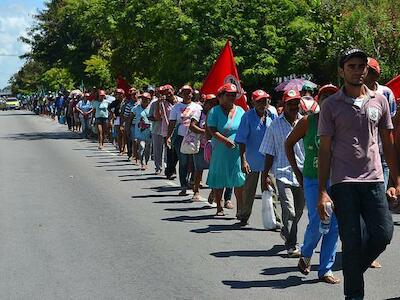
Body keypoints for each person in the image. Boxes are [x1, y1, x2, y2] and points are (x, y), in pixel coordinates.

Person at [318, 48, 400, 300]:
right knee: (351, 242)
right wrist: (323, 190)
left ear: (367, 70)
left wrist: (396, 180)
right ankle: (354, 296)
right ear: (342, 71)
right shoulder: (331, 105)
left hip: (374, 180)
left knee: (383, 233)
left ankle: (353, 270)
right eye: (351, 66)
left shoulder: (380, 100)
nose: (357, 71)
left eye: (361, 66)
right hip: (344, 184)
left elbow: (388, 143)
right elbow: (324, 150)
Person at [285, 84, 340, 284]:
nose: (328, 99)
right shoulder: (307, 122)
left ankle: (325, 269)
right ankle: (306, 253)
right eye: (324, 95)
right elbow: (288, 144)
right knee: (318, 220)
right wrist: (298, 173)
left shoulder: (342, 122)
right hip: (313, 179)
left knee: (334, 226)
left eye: (332, 95)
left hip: (338, 180)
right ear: (318, 100)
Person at [260, 89, 305, 258]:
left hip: (302, 173)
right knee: (290, 210)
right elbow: (269, 153)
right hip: (282, 173)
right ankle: (292, 245)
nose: (294, 106)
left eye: (296, 103)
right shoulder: (275, 125)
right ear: (283, 105)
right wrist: (264, 177)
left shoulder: (306, 122)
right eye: (290, 103)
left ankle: (287, 230)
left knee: (299, 211)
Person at [235, 90, 280, 226]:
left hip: (270, 160)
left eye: (264, 101)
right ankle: (244, 215)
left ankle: (275, 219)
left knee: (271, 190)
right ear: (253, 102)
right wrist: (243, 160)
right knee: (249, 190)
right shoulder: (247, 117)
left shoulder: (272, 115)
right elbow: (241, 140)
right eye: (259, 101)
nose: (262, 104)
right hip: (252, 160)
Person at [206, 83, 246, 216]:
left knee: (238, 179)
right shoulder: (214, 111)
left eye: (233, 95)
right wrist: (225, 140)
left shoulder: (240, 111)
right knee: (219, 177)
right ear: (220, 96)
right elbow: (212, 129)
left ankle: (240, 209)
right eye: (228, 95)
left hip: (237, 151)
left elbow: (245, 129)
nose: (231, 98)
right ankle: (219, 206)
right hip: (220, 150)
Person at [363, 57, 397, 189]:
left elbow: (391, 122)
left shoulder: (385, 93)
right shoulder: (355, 93)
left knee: (379, 193)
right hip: (363, 152)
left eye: (367, 70)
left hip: (382, 151)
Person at [166, 85, 201, 196]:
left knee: (194, 162)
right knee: (184, 162)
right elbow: (171, 123)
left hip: (194, 137)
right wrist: (168, 136)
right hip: (180, 137)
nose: (187, 95)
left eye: (189, 92)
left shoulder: (197, 107)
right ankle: (183, 186)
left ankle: (194, 183)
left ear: (192, 94)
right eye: (184, 92)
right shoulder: (176, 107)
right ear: (181, 94)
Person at [189, 94, 218, 201]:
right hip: (201, 145)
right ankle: (196, 190)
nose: (211, 105)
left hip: (214, 146)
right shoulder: (199, 113)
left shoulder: (217, 114)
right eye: (209, 102)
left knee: (215, 170)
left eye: (214, 103)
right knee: (198, 169)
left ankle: (214, 191)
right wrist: (204, 131)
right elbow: (192, 126)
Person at [131, 93, 152, 170]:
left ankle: (146, 162)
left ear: (149, 100)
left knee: (148, 148)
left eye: (146, 99)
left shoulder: (151, 108)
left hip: (150, 131)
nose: (144, 100)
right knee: (141, 146)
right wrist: (127, 127)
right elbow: (130, 118)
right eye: (142, 98)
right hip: (139, 131)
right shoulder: (136, 108)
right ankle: (142, 163)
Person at [149, 88, 166, 174]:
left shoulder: (168, 103)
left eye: (162, 93)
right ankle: (158, 167)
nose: (160, 95)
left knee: (168, 150)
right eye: (159, 93)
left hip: (167, 130)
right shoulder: (153, 103)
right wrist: (156, 118)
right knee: (157, 150)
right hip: (157, 129)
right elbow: (150, 116)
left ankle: (167, 167)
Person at [121, 88, 139, 161]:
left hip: (141, 125)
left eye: (135, 94)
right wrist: (125, 125)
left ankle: (137, 154)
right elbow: (125, 116)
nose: (134, 96)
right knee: (132, 140)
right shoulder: (129, 105)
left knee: (138, 141)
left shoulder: (142, 103)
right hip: (132, 124)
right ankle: (131, 154)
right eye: (133, 95)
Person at [109, 88, 126, 155]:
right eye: (117, 94)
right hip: (117, 118)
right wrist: (112, 114)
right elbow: (109, 108)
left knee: (124, 133)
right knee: (119, 134)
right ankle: (120, 149)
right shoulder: (115, 102)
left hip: (124, 118)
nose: (118, 95)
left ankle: (124, 147)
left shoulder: (125, 101)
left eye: (119, 94)